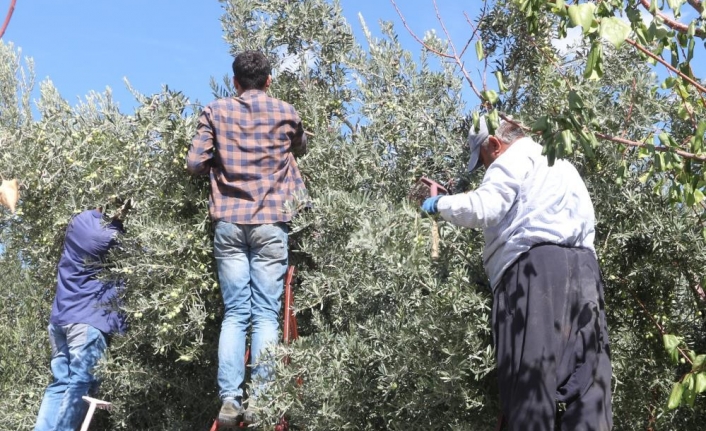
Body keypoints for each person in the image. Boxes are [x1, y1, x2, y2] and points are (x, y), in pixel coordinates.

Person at [421, 116, 612, 431]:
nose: (485, 171)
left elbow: (485, 207)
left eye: (483, 161)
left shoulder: (510, 158)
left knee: (529, 393)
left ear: (495, 145)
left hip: (532, 275)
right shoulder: (562, 164)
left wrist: (440, 204)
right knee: (590, 391)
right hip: (586, 273)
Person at [186, 50, 307, 426]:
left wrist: (220, 164)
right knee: (266, 315)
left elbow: (194, 162)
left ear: (234, 82)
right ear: (269, 80)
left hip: (229, 223)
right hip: (272, 223)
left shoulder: (215, 111)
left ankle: (229, 400)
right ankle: (264, 400)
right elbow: (300, 147)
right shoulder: (287, 112)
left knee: (236, 312)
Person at [35, 206, 127, 431]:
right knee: (80, 382)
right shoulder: (105, 235)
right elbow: (142, 247)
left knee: (60, 383)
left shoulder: (79, 221)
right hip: (86, 322)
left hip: (61, 320)